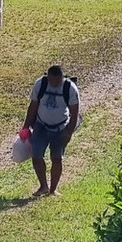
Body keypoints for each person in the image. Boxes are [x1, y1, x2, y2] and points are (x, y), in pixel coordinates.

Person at [22, 65, 80, 197]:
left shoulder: (69, 88)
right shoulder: (40, 84)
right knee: (36, 156)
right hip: (40, 126)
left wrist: (69, 133)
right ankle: (43, 186)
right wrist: (26, 126)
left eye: (56, 81)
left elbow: (75, 112)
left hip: (60, 129)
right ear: (48, 77)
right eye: (51, 80)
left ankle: (53, 190)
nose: (53, 83)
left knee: (57, 158)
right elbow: (33, 106)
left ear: (61, 78)